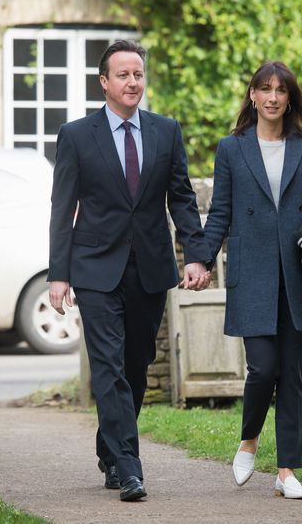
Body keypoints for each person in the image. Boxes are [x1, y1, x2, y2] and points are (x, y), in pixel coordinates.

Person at [47, 40, 211, 502]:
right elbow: (63, 207)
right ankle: (130, 466)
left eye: (138, 74)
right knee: (107, 367)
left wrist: (195, 255)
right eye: (122, 75)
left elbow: (181, 198)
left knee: (135, 366)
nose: (132, 82)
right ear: (104, 83)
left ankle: (109, 450)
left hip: (150, 268)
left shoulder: (166, 131)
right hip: (95, 268)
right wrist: (59, 273)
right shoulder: (77, 135)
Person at [204, 61, 302, 499]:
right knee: (263, 368)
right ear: (252, 95)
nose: (272, 97)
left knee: (291, 374)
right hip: (252, 272)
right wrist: (201, 260)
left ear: (289, 98)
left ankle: (286, 472)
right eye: (264, 89)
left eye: (280, 90)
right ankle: (248, 440)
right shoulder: (231, 148)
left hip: (297, 274)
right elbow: (220, 212)